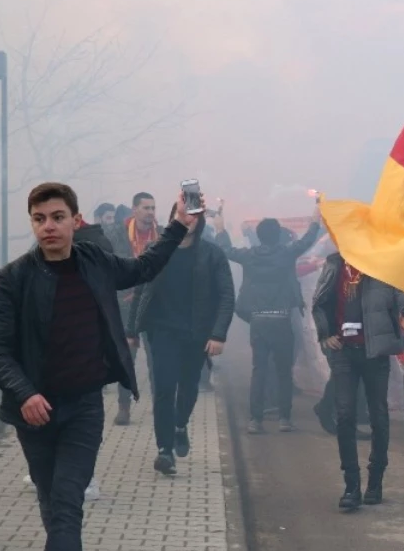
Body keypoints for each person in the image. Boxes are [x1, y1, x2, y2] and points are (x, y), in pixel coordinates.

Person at [0, 182, 190, 551]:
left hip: (83, 407)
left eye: (57, 217)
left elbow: (144, 267)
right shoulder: (12, 278)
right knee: (49, 500)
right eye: (39, 219)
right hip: (34, 411)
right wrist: (24, 394)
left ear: (76, 221)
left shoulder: (95, 262)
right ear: (32, 223)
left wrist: (177, 225)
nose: (48, 227)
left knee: (67, 503)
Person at [311, 253, 404, 510]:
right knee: (345, 415)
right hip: (342, 352)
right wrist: (325, 333)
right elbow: (319, 302)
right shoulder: (333, 264)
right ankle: (351, 486)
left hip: (375, 355)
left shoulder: (383, 267)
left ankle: (375, 481)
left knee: (379, 417)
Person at [128, 206, 234, 476]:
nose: (189, 220)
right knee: (163, 389)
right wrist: (132, 331)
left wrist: (218, 334)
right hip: (161, 332)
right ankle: (165, 451)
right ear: (174, 217)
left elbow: (226, 296)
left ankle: (180, 425)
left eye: (195, 215)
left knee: (188, 387)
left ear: (200, 220)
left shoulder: (212, 254)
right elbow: (141, 289)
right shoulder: (157, 250)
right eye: (184, 214)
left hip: (196, 334)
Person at [214, 205, 322, 434]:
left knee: (259, 370)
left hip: (258, 321)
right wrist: (316, 218)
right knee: (284, 372)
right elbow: (308, 240)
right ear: (279, 236)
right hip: (282, 320)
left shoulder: (249, 256)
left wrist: (220, 225)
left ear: (260, 236)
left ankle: (255, 420)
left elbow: (225, 248)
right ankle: (284, 419)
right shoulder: (286, 253)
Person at [103, 192, 161, 426]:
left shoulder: (164, 235)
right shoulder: (116, 234)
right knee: (126, 359)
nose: (150, 212)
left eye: (153, 208)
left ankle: (160, 407)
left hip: (155, 307)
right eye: (146, 208)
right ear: (134, 209)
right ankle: (124, 407)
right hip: (125, 306)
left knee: (156, 360)